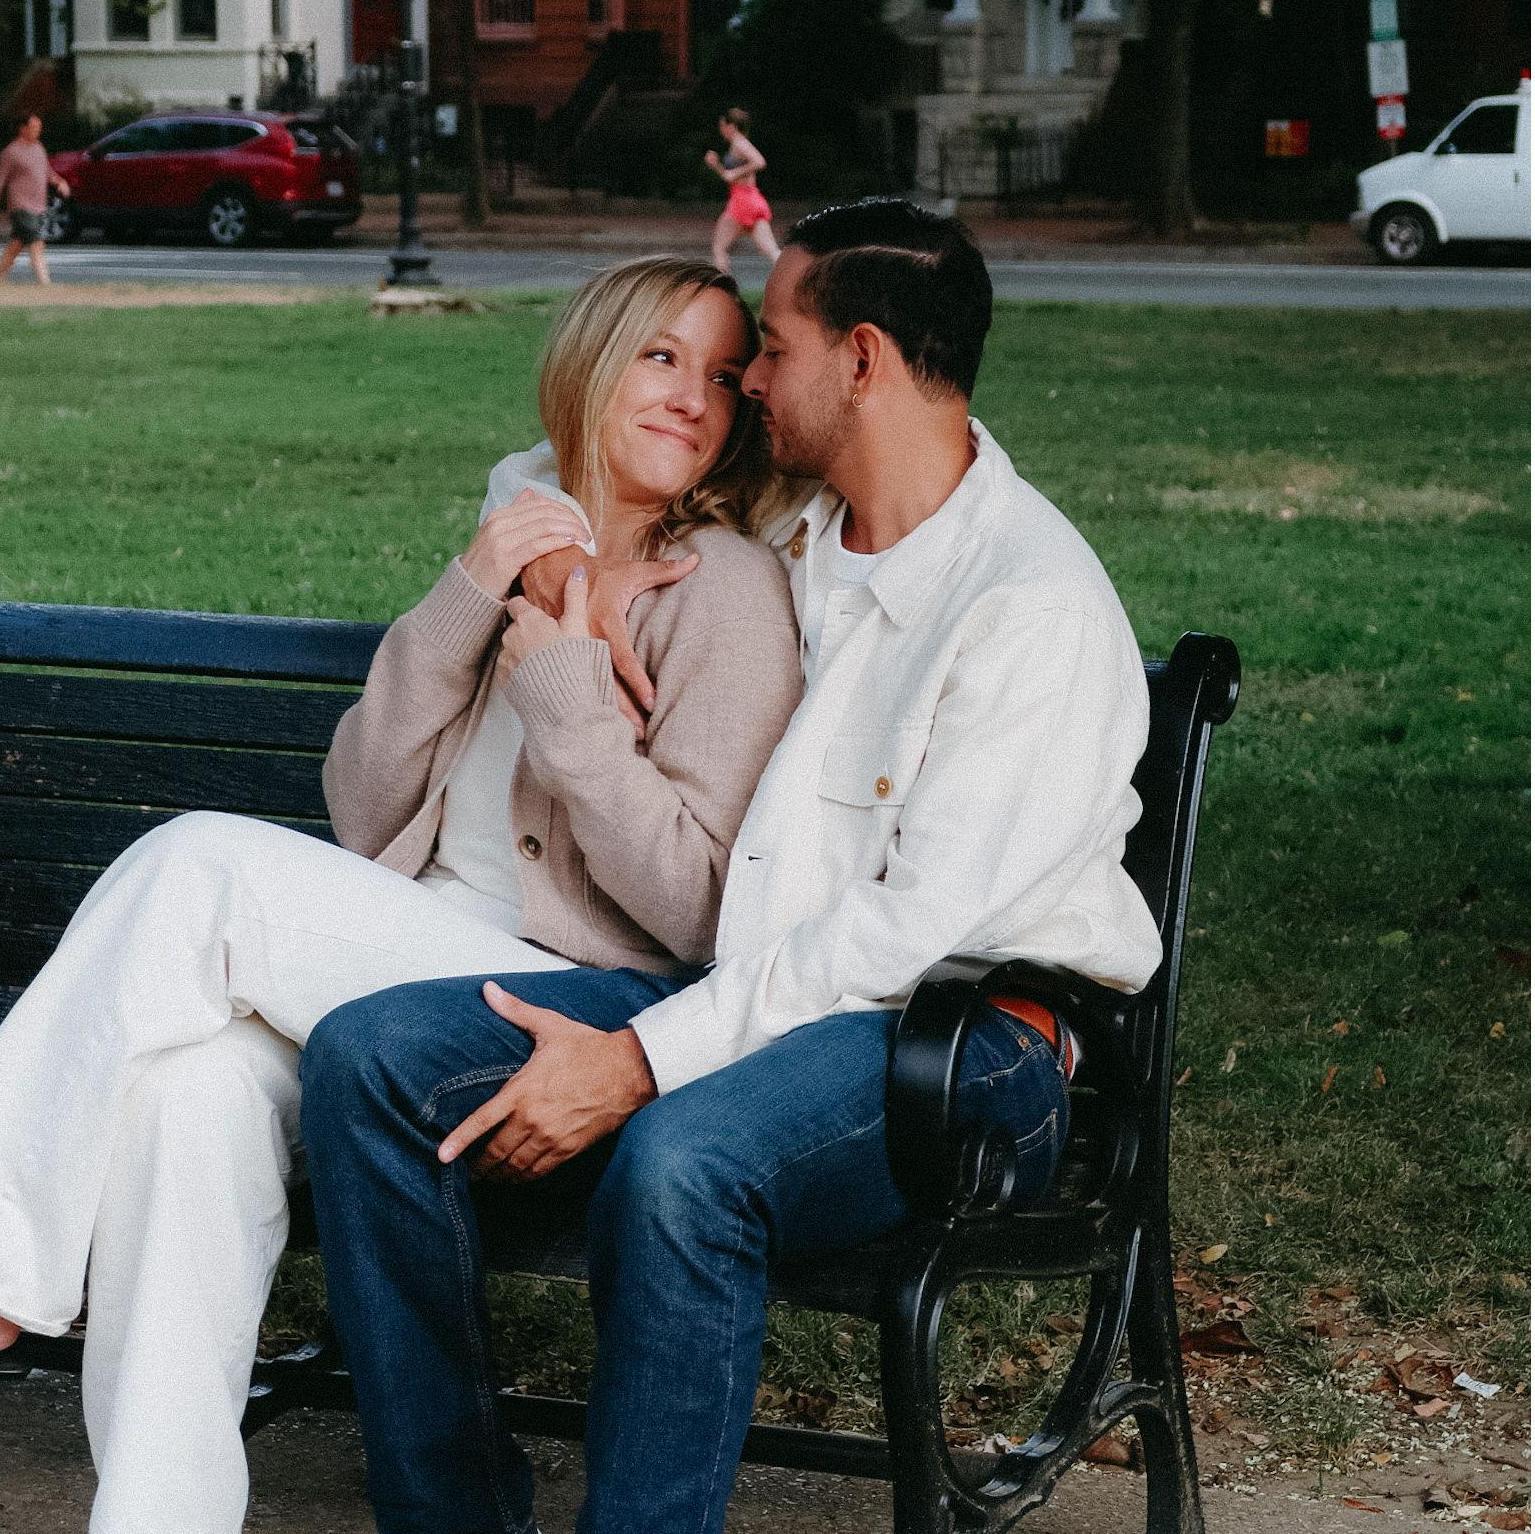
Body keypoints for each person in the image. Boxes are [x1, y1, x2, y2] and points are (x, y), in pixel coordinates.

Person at [302, 198, 1164, 1534]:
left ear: (859, 359)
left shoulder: (1024, 604)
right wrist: (576, 577)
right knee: (369, 1059)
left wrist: (637, 1060)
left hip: (961, 1038)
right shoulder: (804, 532)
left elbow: (897, 936)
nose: (746, 381)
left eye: (768, 347)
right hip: (754, 989)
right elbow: (561, 457)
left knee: (682, 1161)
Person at [0, 255, 803, 1534]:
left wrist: (570, 697)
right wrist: (472, 589)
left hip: (563, 990)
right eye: (659, 355)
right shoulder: (524, 537)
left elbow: (699, 909)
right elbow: (363, 811)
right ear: (590, 361)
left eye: (719, 374)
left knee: (199, 862)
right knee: (183, 1095)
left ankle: (2, 1252)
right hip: (402, 949)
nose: (689, 396)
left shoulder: (729, 592)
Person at [705, 106, 781, 275]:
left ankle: (723, 287)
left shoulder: (740, 143)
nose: (721, 130)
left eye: (723, 125)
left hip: (742, 201)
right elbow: (729, 177)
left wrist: (736, 172)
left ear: (731, 126)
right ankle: (795, 278)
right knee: (772, 250)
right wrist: (716, 165)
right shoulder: (737, 144)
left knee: (719, 248)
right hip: (753, 200)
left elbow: (759, 162)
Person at [0, 112, 69, 285]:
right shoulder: (11, 152)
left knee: (16, 245)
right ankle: (44, 283)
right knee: (36, 243)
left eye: (39, 127)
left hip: (38, 206)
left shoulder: (38, 148)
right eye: (34, 127)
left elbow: (47, 172)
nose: (37, 130)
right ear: (22, 129)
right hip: (20, 206)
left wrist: (60, 182)